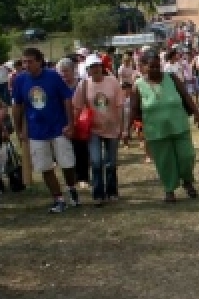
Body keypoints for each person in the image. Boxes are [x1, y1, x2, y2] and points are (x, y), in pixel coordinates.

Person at [12, 48, 80, 214]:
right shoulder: (20, 80)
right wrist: (19, 129)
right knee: (45, 167)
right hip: (36, 131)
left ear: (39, 61)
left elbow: (66, 99)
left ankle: (71, 188)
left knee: (67, 164)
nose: (26, 65)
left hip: (58, 127)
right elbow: (17, 106)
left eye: (30, 61)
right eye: (24, 61)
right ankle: (58, 199)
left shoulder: (53, 76)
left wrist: (70, 123)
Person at [130, 51, 199, 202]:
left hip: (179, 125)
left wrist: (196, 112)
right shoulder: (138, 85)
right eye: (152, 67)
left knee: (187, 156)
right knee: (165, 161)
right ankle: (169, 190)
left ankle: (187, 181)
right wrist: (127, 130)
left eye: (158, 66)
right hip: (155, 131)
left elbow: (186, 96)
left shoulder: (172, 78)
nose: (156, 70)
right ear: (143, 67)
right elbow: (133, 109)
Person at [72, 55, 123, 206]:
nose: (95, 69)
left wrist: (121, 126)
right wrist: (75, 123)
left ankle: (112, 191)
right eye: (91, 67)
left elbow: (120, 105)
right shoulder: (84, 84)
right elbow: (77, 106)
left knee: (111, 162)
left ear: (102, 67)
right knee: (96, 161)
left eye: (97, 66)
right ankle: (98, 193)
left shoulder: (112, 81)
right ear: (87, 70)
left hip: (112, 127)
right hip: (93, 129)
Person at [57, 57, 91, 188]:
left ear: (73, 71)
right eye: (61, 71)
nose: (63, 74)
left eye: (66, 71)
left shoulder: (81, 84)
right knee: (67, 151)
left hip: (80, 122)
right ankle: (72, 179)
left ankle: (83, 177)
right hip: (64, 122)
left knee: (81, 150)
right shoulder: (58, 86)